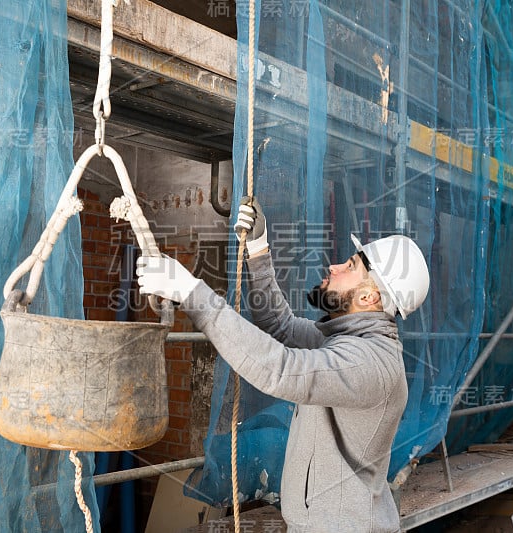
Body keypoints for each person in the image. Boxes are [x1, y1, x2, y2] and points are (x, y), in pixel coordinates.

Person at [136, 198, 430, 533]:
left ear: (368, 298)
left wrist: (190, 291)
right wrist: (259, 249)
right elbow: (281, 327)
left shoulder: (368, 364)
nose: (335, 267)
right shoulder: (345, 342)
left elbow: (280, 369)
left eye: (350, 267)